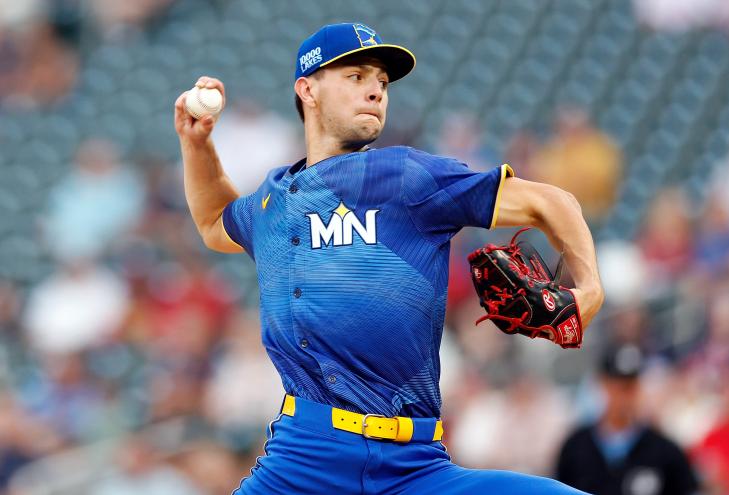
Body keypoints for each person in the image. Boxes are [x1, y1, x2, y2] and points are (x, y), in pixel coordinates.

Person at [174, 22, 604, 495]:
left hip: (416, 468)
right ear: (307, 89)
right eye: (356, 77)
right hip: (304, 463)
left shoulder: (404, 176)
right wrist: (197, 145)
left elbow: (552, 203)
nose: (376, 91)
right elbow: (215, 222)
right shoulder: (273, 204)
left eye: (381, 81)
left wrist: (589, 288)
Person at [555, 344, 700, 495]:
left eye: (631, 387)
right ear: (602, 384)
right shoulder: (575, 447)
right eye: (619, 387)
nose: (625, 397)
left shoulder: (665, 451)